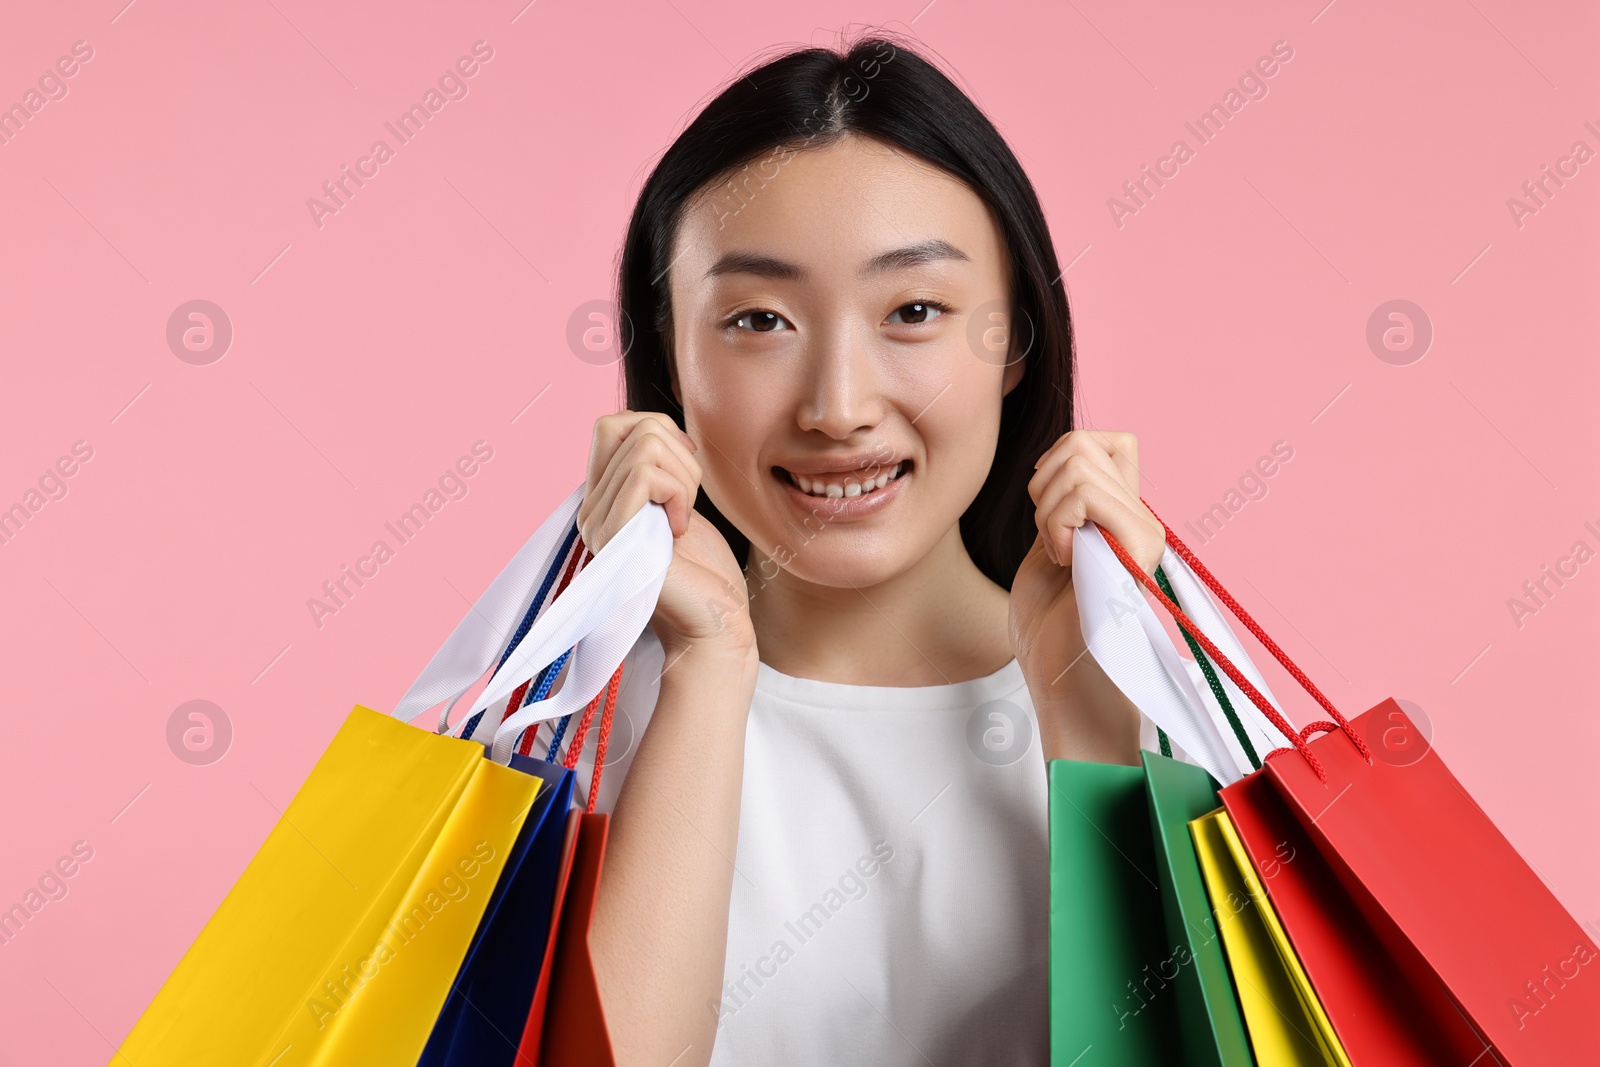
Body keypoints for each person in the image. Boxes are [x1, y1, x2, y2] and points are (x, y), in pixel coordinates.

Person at [549, 34, 1166, 1066]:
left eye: (914, 311)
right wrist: (705, 666)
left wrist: (1093, 739)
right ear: (668, 356)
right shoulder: (562, 721)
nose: (838, 406)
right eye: (757, 318)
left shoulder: (1168, 705)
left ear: (1015, 339)